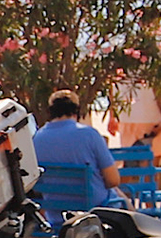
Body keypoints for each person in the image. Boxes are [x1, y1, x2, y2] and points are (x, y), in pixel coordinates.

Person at [29, 89, 121, 219]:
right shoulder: (89, 135)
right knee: (121, 197)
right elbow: (113, 180)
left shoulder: (37, 139)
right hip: (94, 214)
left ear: (50, 112)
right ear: (76, 111)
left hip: (56, 216)